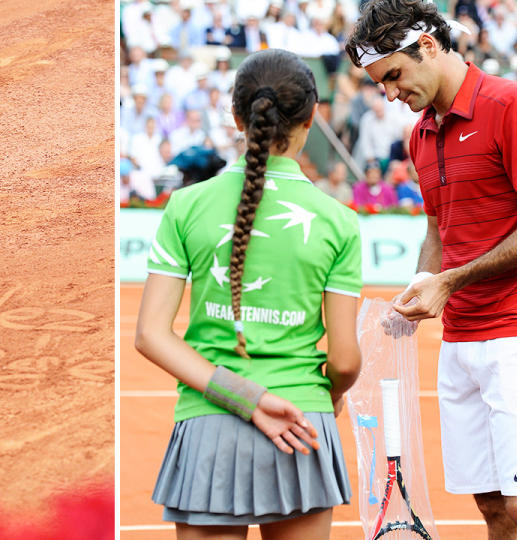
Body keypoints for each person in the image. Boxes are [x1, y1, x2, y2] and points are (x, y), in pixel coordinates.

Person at [346, 1, 517, 538]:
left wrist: (449, 281)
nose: (389, 93)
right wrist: (417, 289)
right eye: (380, 83)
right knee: (494, 507)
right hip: (462, 339)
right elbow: (438, 230)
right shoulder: (420, 134)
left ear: (428, 46)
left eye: (394, 76)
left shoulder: (513, 103)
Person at [135, 49, 361, 539]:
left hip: (210, 421)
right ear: (311, 118)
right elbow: (344, 360)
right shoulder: (339, 221)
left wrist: (244, 396)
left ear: (236, 117)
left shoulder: (185, 206)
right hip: (303, 423)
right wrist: (333, 395)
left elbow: (152, 335)